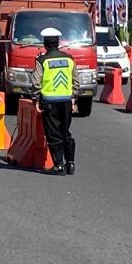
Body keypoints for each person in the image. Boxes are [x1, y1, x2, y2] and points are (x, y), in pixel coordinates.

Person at [30, 27, 76, 176]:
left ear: (45, 44)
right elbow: (76, 80)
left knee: (53, 134)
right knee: (65, 132)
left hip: (49, 102)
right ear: (58, 43)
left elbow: (36, 81)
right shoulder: (69, 59)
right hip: (66, 101)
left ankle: (59, 165)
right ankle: (71, 164)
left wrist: (36, 99)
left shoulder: (42, 60)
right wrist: (73, 97)